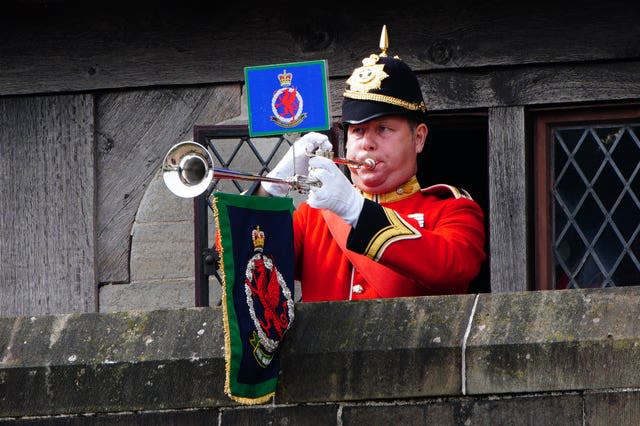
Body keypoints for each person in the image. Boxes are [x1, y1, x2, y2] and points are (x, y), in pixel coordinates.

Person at [255, 28, 486, 302]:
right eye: (358, 131)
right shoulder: (313, 216)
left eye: (383, 129)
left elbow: (451, 268)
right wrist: (271, 188)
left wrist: (356, 210)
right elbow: (245, 259)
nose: (367, 143)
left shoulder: (451, 210)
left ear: (419, 138)